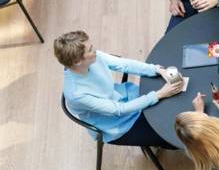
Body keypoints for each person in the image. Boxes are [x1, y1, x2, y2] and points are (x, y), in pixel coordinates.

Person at [56, 31, 184, 148]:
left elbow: (123, 64)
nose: (95, 50)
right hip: (119, 124)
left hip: (126, 95)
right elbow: (120, 110)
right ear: (78, 61)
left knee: (172, 107)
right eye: (90, 50)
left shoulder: (92, 58)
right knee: (173, 136)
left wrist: (155, 69)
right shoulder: (77, 95)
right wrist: (159, 94)